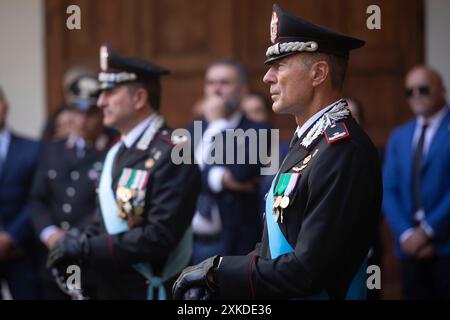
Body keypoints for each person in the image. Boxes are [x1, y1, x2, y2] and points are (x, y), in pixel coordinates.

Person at [173, 3, 382, 300]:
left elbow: (309, 270)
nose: (267, 78)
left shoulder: (343, 149)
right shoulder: (309, 142)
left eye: (280, 65)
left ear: (318, 73)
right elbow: (272, 246)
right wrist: (222, 280)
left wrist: (219, 270)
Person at [46, 45, 200, 300]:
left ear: (139, 98)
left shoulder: (175, 152)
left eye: (109, 92)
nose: (100, 102)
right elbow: (103, 221)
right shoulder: (117, 150)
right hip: (111, 287)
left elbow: (159, 237)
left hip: (151, 288)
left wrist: (86, 248)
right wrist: (73, 248)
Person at [29, 73, 113, 299]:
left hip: (92, 263)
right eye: (78, 111)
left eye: (91, 113)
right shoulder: (53, 149)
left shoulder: (114, 152)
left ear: (103, 112)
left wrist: (74, 236)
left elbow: (109, 204)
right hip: (53, 261)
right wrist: (50, 233)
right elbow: (37, 198)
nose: (83, 120)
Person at [189, 60, 270, 264]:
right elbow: (183, 177)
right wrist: (218, 178)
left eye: (224, 83)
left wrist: (218, 124)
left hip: (233, 244)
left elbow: (240, 173)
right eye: (210, 83)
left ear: (242, 89)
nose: (216, 90)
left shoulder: (259, 130)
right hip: (190, 242)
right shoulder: (192, 130)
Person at [383, 65, 450, 299]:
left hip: (446, 246)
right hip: (409, 249)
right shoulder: (399, 135)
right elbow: (388, 189)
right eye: (410, 91)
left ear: (442, 90)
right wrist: (406, 234)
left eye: (423, 88)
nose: (416, 95)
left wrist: (428, 230)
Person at [0, 85, 41, 299]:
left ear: (5, 106)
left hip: (22, 251)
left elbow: (37, 199)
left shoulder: (32, 149)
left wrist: (10, 237)